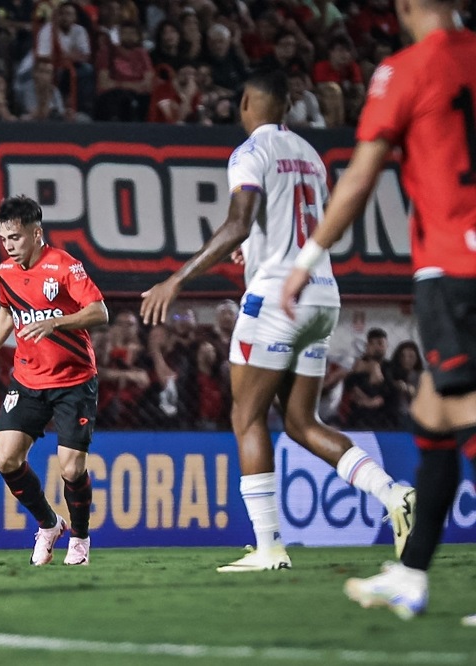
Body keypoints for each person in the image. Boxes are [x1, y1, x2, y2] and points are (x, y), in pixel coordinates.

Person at [140, 69, 415, 573]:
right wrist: (257, 248)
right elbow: (294, 224)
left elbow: (239, 222)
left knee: (246, 417)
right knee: (301, 422)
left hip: (275, 300)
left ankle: (268, 547)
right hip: (322, 295)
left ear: (247, 102)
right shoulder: (310, 155)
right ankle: (394, 494)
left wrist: (175, 280)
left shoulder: (249, 152)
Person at [281, 0, 476, 623]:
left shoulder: (407, 70)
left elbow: (361, 178)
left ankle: (412, 575)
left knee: (465, 410)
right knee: (433, 412)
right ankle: (412, 576)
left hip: (454, 269)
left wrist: (307, 256)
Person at [0, 195, 108, 566]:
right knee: (6, 458)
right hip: (27, 379)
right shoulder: (4, 273)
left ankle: (79, 538)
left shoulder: (64, 266)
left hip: (74, 380)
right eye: (4, 239)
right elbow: (6, 315)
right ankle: (48, 524)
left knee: (72, 468)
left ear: (37, 233)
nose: (10, 245)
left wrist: (56, 321)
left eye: (16, 237)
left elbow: (99, 311)